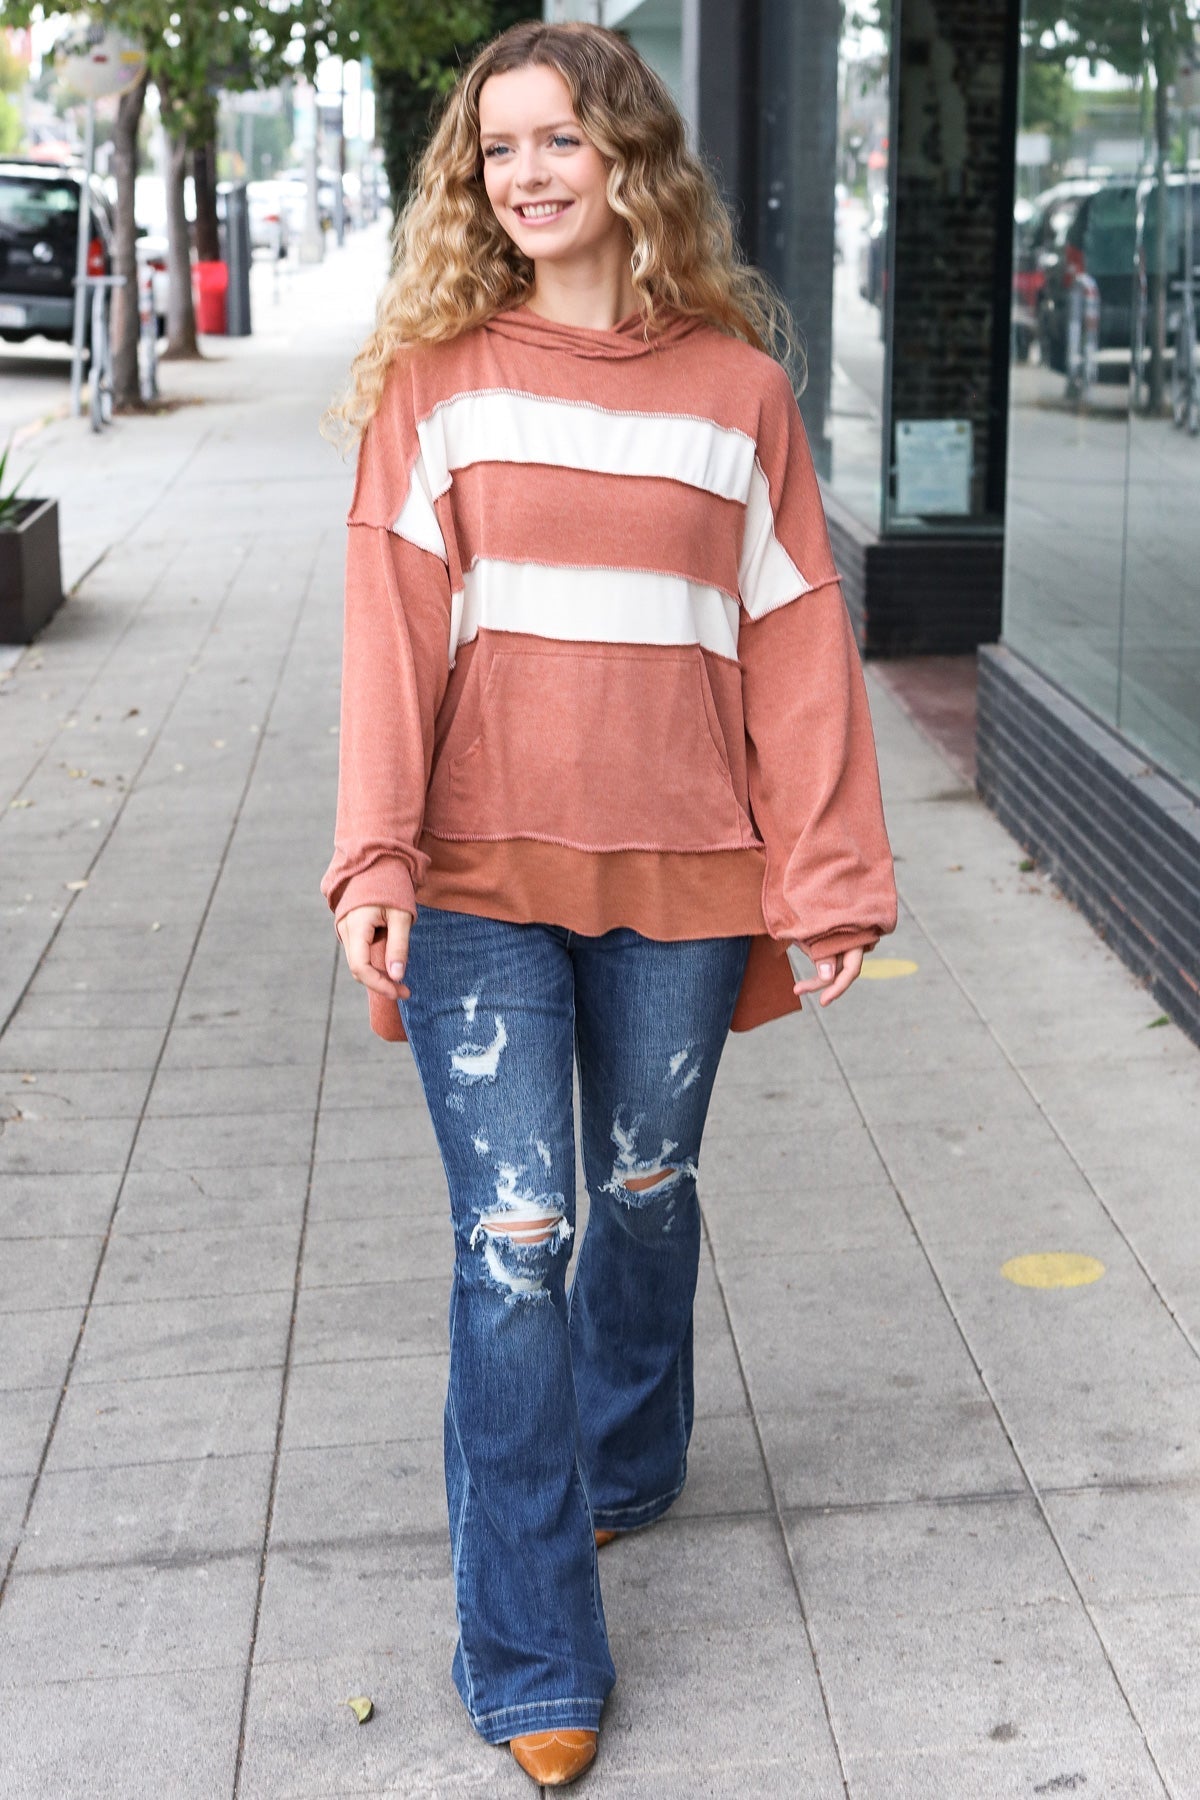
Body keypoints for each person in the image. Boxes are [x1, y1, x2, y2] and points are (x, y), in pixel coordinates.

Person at [322, 19, 896, 1788]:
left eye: (558, 138)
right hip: (485, 874)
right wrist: (375, 857)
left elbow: (798, 648)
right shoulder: (436, 383)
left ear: (627, 154)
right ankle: (530, 1642)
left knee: (642, 1190)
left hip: (686, 874)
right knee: (515, 1244)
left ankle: (631, 1448)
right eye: (496, 150)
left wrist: (829, 871)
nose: (525, 174)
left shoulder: (741, 393)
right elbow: (387, 640)